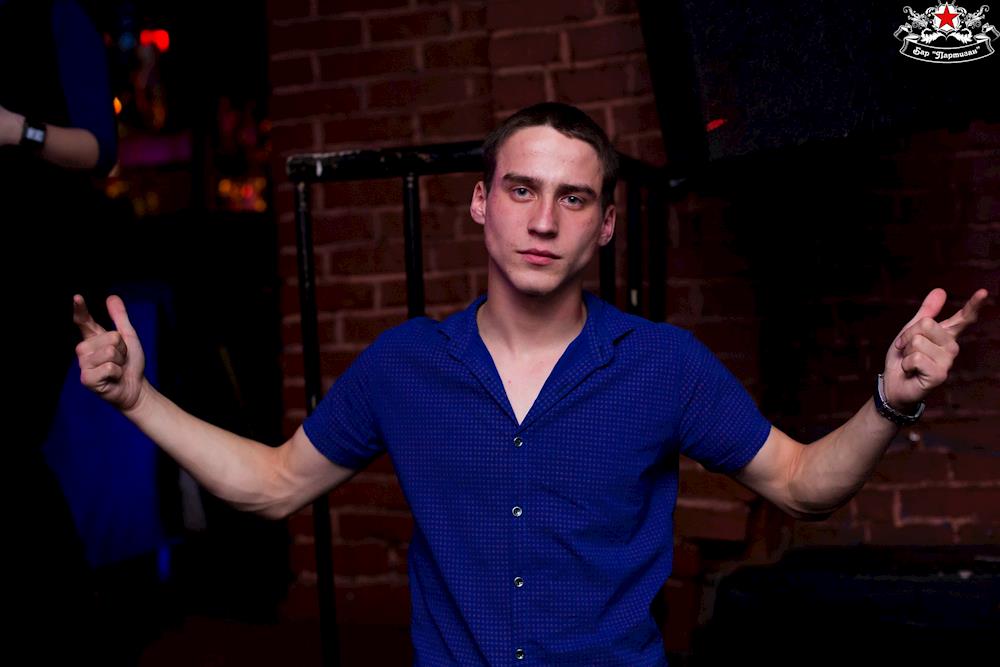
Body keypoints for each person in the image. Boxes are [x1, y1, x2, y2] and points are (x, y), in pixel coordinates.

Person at [73, 102, 988, 665]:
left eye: (573, 198)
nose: (543, 220)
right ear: (481, 202)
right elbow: (273, 484)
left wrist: (890, 397)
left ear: (606, 225)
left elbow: (801, 483)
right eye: (521, 189)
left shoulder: (664, 365)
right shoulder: (404, 365)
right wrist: (137, 400)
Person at [2, 0, 117, 661]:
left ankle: (74, 634)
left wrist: (18, 130)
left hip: (34, 270)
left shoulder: (57, 16)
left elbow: (101, 149)